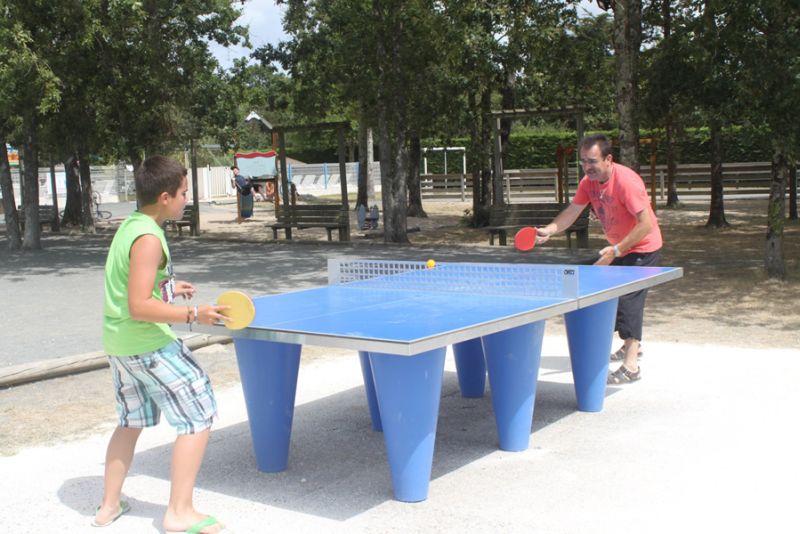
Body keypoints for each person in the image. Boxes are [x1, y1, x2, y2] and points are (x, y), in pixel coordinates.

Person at [94, 156, 230, 533]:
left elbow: (133, 287)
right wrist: (193, 315)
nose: (187, 199)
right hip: (147, 344)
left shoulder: (133, 226)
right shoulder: (150, 238)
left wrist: (169, 288)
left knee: (130, 421)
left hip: (120, 346)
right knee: (198, 413)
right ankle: (179, 512)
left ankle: (108, 506)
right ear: (166, 196)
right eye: (184, 193)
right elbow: (139, 306)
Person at [535, 134, 663, 384]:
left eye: (592, 161)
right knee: (598, 290)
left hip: (644, 248)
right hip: (618, 248)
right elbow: (573, 210)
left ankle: (632, 366)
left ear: (608, 159)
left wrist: (616, 250)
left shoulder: (626, 182)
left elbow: (646, 224)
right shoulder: (588, 182)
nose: (587, 167)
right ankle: (632, 344)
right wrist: (550, 229)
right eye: (583, 161)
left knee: (628, 300)